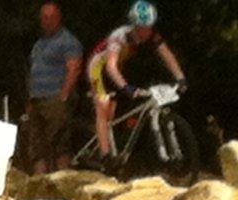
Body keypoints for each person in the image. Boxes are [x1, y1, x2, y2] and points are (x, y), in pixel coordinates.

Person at [87, 1, 186, 162]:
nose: (146, 31)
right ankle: (105, 155)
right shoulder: (119, 37)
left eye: (149, 27)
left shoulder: (152, 35)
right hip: (98, 67)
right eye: (141, 27)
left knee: (114, 112)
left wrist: (180, 77)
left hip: (118, 66)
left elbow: (167, 55)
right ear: (134, 25)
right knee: (103, 105)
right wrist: (126, 87)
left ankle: (112, 144)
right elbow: (110, 67)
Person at [27, 2, 83, 174]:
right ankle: (40, 184)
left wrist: (64, 95)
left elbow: (74, 68)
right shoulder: (39, 44)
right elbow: (33, 71)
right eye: (44, 17)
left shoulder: (68, 41)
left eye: (51, 17)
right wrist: (29, 99)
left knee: (59, 144)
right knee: (37, 146)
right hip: (37, 100)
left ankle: (62, 182)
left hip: (55, 99)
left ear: (59, 18)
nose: (48, 21)